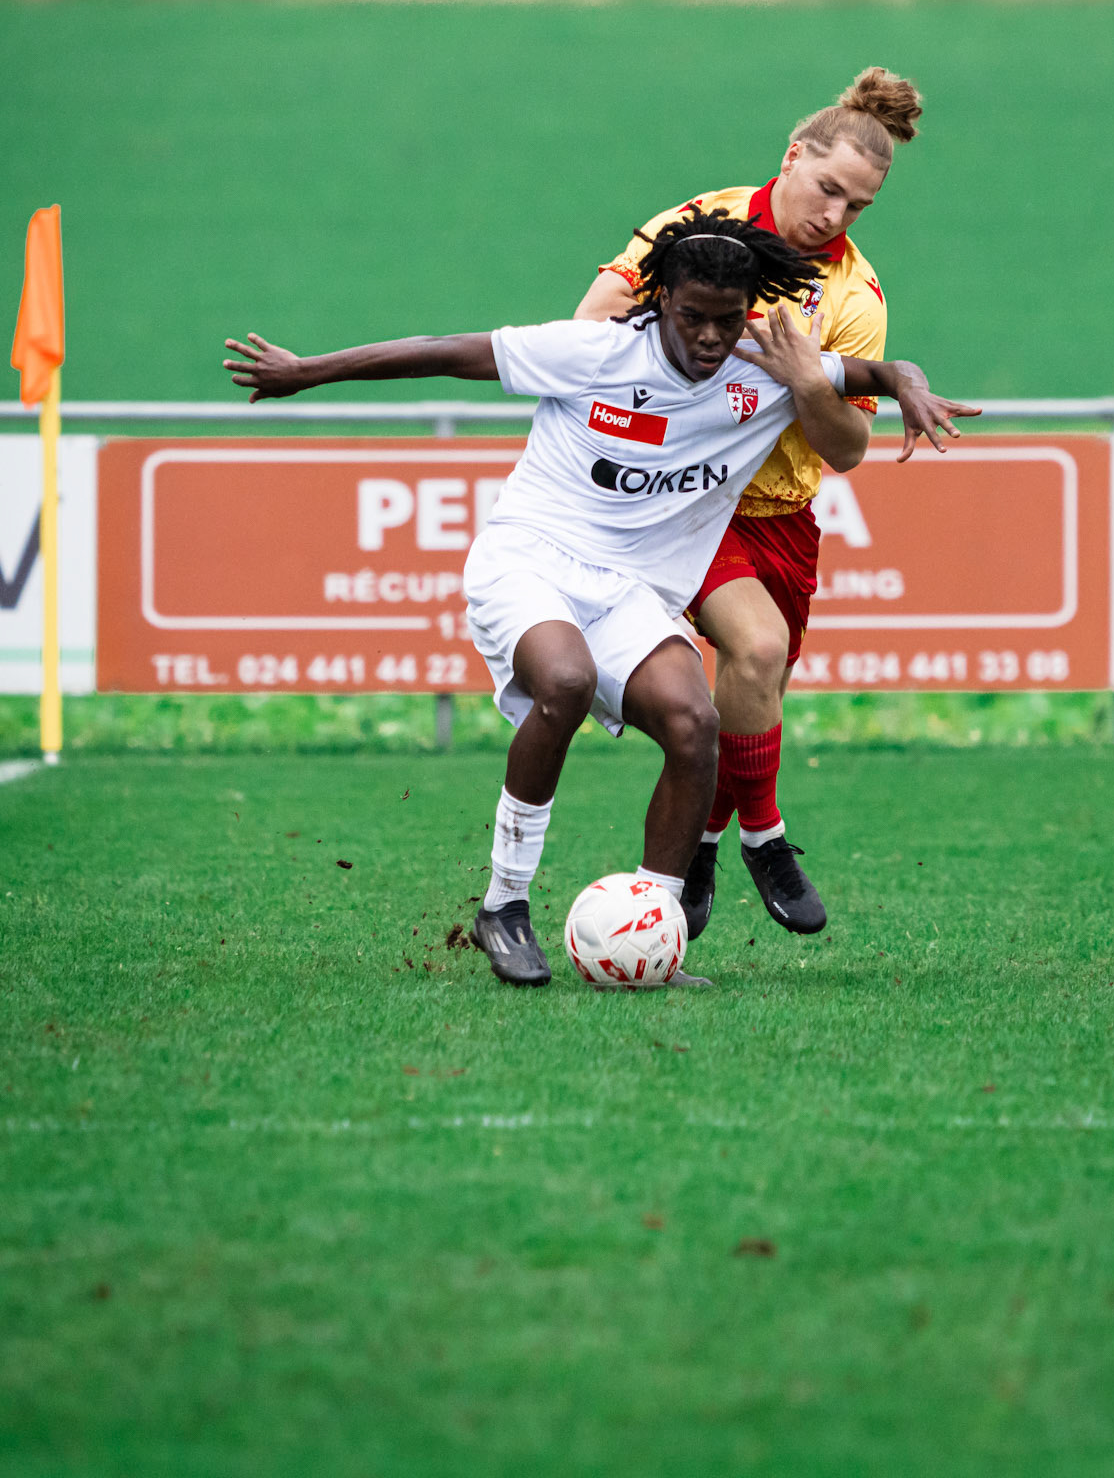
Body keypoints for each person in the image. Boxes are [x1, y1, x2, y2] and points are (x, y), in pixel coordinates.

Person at [223, 211, 911, 990]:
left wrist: (910, 385)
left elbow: (877, 375)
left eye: (728, 320)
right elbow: (443, 353)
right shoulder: (594, 352)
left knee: (694, 724)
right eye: (692, 317)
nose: (712, 338)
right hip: (530, 561)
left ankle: (654, 926)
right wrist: (308, 371)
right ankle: (503, 906)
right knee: (566, 681)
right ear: (658, 300)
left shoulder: (765, 369)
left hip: (628, 591)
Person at [575, 66, 978, 942]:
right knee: (752, 650)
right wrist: (693, 350)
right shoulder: (694, 226)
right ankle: (766, 837)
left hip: (781, 518)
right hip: (680, 503)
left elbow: (845, 451)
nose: (834, 215)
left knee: (752, 692)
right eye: (827, 188)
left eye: (857, 205)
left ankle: (707, 844)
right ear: (792, 158)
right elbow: (589, 324)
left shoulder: (853, 296)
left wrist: (805, 383)